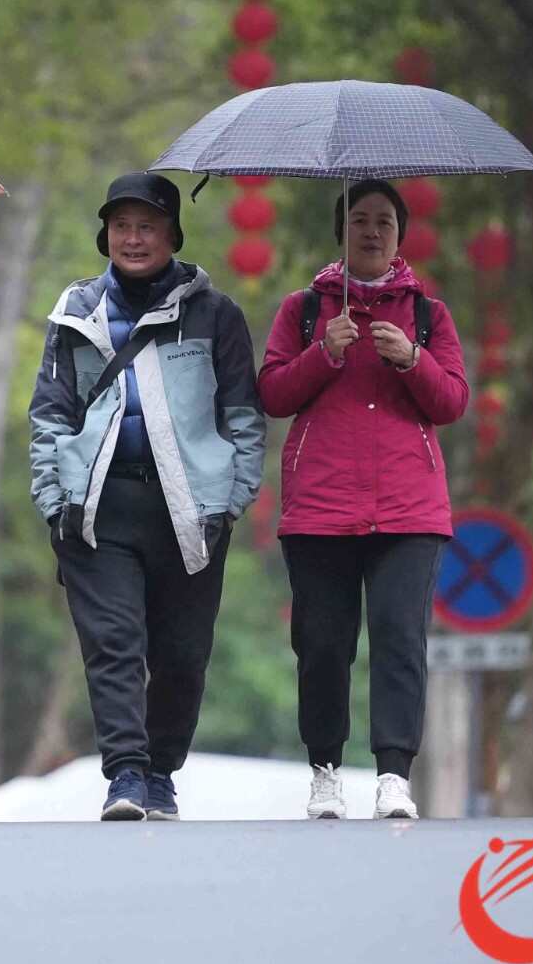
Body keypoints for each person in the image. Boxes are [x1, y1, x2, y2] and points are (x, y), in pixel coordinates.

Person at [28, 172, 266, 821]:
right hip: (99, 509)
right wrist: (55, 501)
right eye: (121, 227)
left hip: (190, 512)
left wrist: (231, 500)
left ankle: (162, 772)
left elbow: (244, 417)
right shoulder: (75, 312)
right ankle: (126, 776)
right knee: (113, 644)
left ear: (172, 236)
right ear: (105, 234)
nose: (133, 239)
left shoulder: (215, 316)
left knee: (182, 657)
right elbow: (50, 415)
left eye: (147, 227)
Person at [257, 178, 468, 821]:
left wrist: (412, 360)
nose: (372, 232)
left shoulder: (429, 314)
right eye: (359, 220)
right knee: (322, 642)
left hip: (409, 508)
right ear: (341, 232)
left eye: (384, 222)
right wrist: (324, 354)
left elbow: (453, 401)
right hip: (320, 506)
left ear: (401, 236)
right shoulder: (304, 310)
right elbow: (272, 393)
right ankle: (324, 770)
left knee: (401, 638)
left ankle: (393, 776)